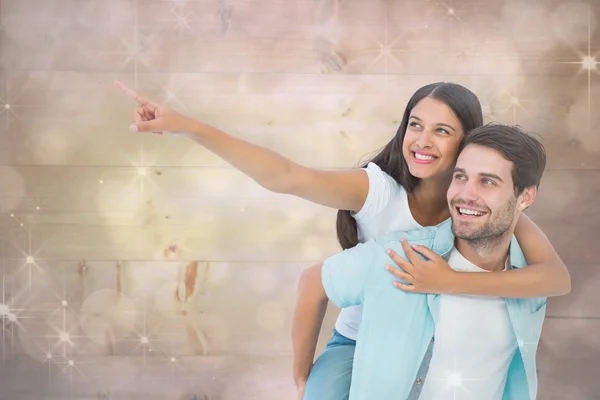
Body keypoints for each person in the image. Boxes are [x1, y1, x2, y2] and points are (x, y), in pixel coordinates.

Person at [113, 80, 570, 399]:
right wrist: (189, 126)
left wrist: (448, 281)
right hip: (359, 341)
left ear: (468, 142)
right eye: (415, 124)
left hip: (436, 338)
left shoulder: (480, 206)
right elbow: (286, 176)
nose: (422, 140)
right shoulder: (377, 191)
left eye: (441, 130)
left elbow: (554, 277)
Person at [306, 123, 552, 400]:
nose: (466, 194)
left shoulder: (530, 281)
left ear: (525, 197)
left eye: (487, 181)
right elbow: (314, 282)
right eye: (460, 177)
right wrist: (302, 377)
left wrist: (454, 281)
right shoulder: (403, 256)